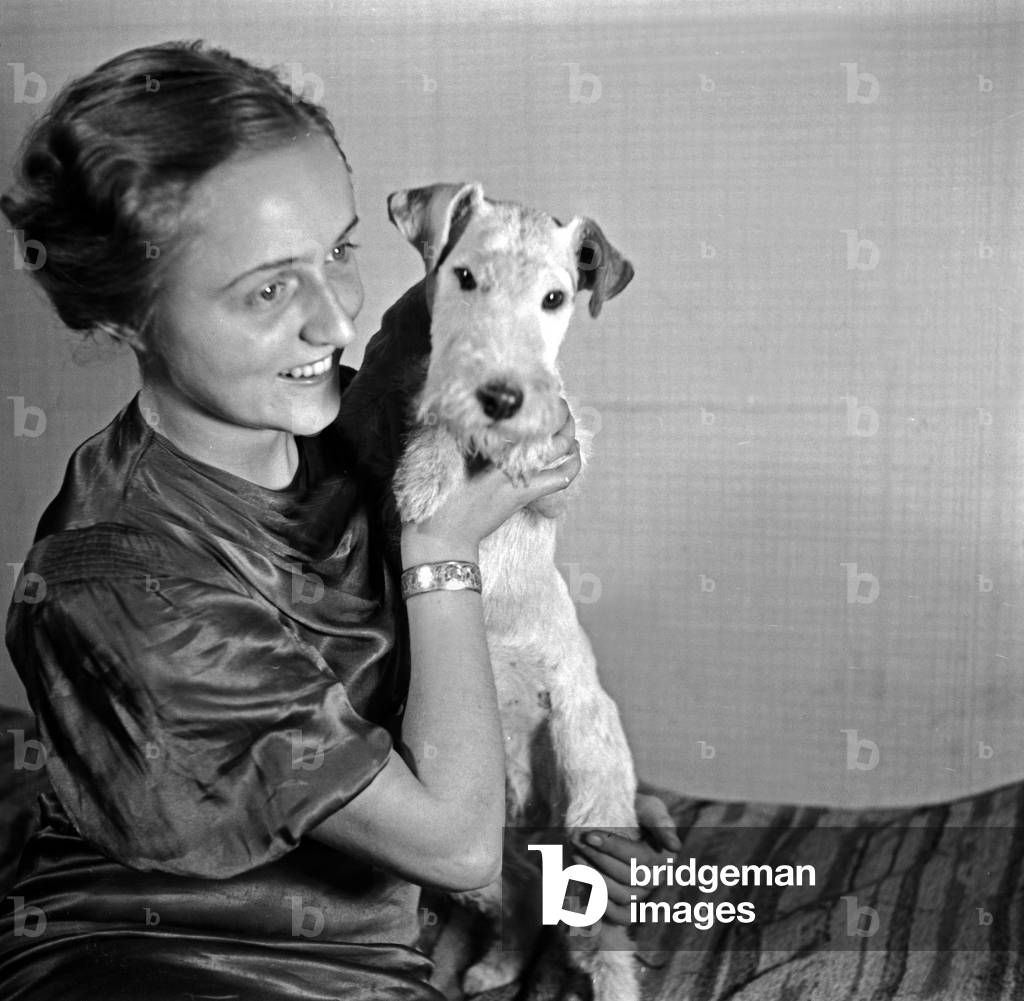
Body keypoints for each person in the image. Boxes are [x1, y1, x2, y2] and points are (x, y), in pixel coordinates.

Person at [0, 40, 679, 1000]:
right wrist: (440, 544)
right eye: (268, 288)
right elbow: (451, 842)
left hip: (380, 936)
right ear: (128, 318)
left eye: (339, 251)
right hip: (175, 963)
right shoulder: (121, 588)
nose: (331, 320)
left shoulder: (342, 421)